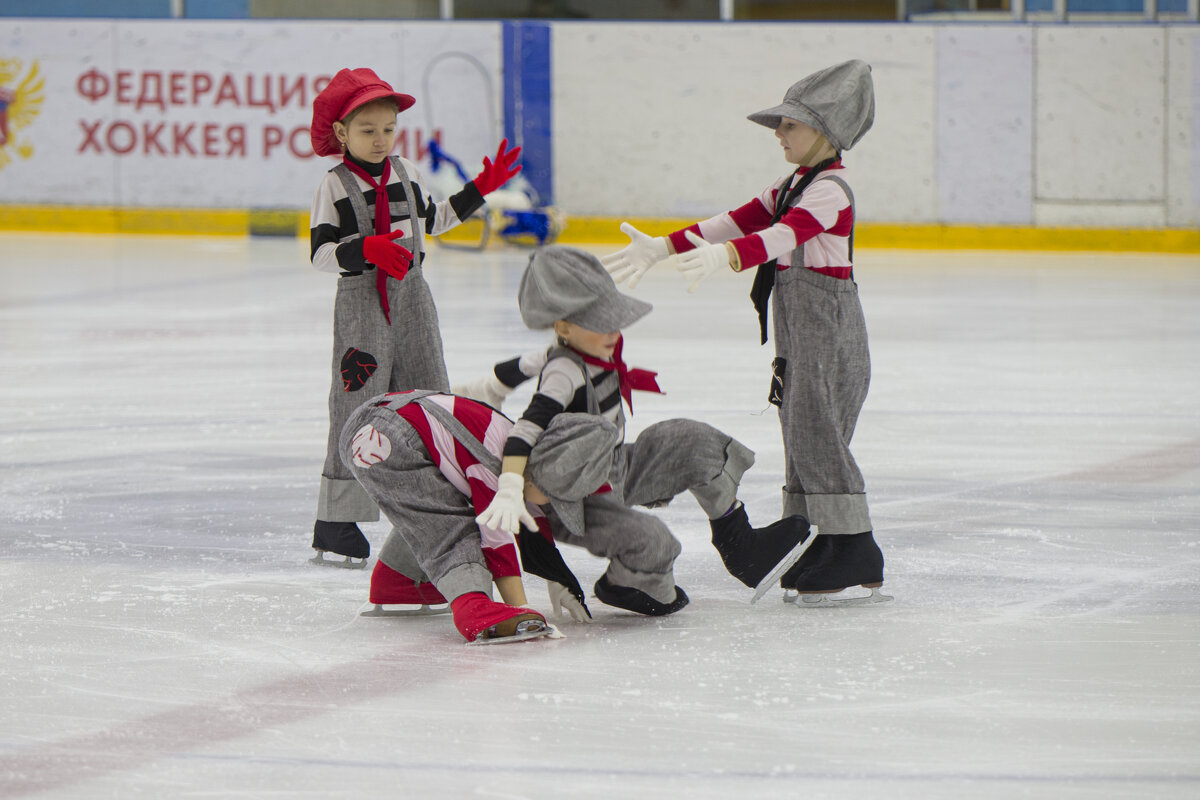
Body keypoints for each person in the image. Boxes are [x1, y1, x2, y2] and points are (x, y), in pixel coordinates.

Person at [600, 60, 890, 606]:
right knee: (802, 428)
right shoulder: (791, 184)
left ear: (825, 132)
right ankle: (818, 538)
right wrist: (664, 247)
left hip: (830, 329)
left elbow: (784, 235)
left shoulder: (831, 191)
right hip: (802, 329)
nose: (779, 134)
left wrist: (727, 257)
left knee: (819, 431)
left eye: (790, 125)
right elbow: (733, 221)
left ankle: (853, 547)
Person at [465, 246, 813, 615]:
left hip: (615, 466)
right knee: (655, 543)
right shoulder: (563, 373)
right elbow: (526, 428)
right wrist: (509, 486)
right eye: (599, 323)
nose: (612, 331)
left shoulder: (580, 349)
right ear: (564, 327)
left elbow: (522, 363)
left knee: (696, 443)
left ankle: (740, 545)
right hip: (578, 495)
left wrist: (487, 387)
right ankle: (627, 584)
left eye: (613, 320)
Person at [307, 67, 522, 566]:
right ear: (341, 133)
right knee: (356, 403)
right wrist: (366, 249)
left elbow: (433, 222)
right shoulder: (334, 186)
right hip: (362, 303)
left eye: (388, 129)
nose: (381, 140)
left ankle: (445, 497)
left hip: (413, 298)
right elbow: (320, 254)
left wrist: (480, 189)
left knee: (432, 393)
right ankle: (336, 520)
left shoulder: (407, 173)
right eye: (367, 131)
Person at [341, 388, 616, 644]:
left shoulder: (518, 448)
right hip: (390, 435)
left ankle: (400, 582)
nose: (552, 506)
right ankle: (473, 606)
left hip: (375, 422)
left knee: (429, 511)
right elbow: (497, 537)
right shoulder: (494, 460)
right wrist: (518, 609)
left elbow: (530, 520)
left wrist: (557, 578)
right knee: (455, 527)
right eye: (556, 498)